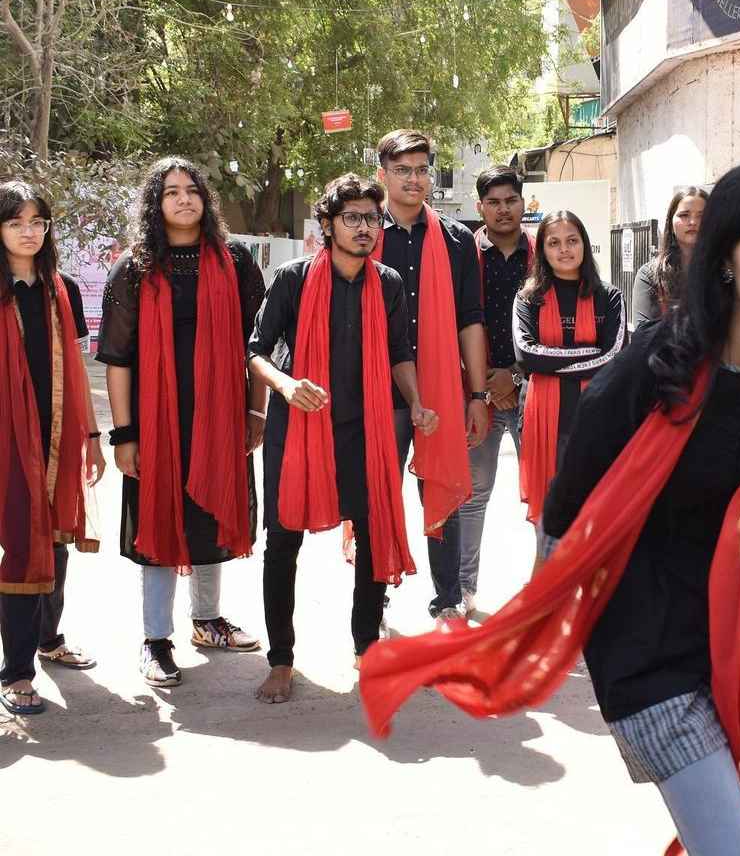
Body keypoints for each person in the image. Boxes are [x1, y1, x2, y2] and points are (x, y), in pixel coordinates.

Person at [358, 162, 740, 856]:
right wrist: (556, 609)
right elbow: (568, 502)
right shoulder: (659, 361)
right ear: (726, 257)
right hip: (648, 646)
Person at [248, 175, 436, 703]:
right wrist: (287, 386)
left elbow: (400, 353)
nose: (364, 228)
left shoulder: (388, 283)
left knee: (374, 537)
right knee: (283, 542)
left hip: (365, 430)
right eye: (352, 218)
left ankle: (366, 648)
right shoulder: (292, 278)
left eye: (371, 218)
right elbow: (256, 350)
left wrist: (415, 403)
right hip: (298, 429)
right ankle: (281, 660)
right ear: (328, 226)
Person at [98, 157, 265, 688]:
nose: (184, 199)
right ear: (156, 203)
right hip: (156, 421)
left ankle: (208, 620)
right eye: (170, 192)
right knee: (159, 520)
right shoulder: (134, 268)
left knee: (212, 513)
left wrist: (255, 409)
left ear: (205, 198)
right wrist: (124, 434)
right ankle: (155, 640)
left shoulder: (236, 261)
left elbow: (257, 346)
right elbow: (118, 359)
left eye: (192, 189)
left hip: (221, 415)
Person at [373, 129, 486, 627]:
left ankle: (447, 600)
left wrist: (476, 394)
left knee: (443, 487)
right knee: (378, 493)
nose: (414, 179)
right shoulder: (363, 233)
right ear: (383, 175)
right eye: (403, 170)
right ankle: (372, 599)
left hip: (439, 386)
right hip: (378, 388)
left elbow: (470, 320)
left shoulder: (457, 240)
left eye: (422, 169)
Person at [0, 182, 105, 715]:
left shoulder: (61, 288)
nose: (29, 232)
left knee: (56, 538)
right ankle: (17, 672)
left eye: (37, 222)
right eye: (16, 222)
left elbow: (77, 371)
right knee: (23, 546)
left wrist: (92, 437)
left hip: (57, 435)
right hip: (6, 441)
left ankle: (49, 638)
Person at [513, 209, 625, 525]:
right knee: (550, 523)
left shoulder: (609, 297)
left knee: (595, 519)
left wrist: (548, 362)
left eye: (572, 240)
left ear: (584, 244)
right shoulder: (528, 298)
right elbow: (527, 357)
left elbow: (614, 357)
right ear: (542, 250)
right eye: (554, 243)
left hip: (596, 422)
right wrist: (591, 355)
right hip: (544, 422)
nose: (564, 249)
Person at [456, 166, 533, 614]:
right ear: (480, 206)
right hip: (476, 394)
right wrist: (483, 384)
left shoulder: (542, 254)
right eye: (494, 202)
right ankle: (463, 590)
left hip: (533, 393)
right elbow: (453, 321)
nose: (503, 210)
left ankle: (546, 590)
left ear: (523, 202)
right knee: (473, 495)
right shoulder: (465, 255)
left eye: (511, 201)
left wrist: (515, 377)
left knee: (542, 494)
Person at [630, 186, 707, 326]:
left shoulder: (725, 275)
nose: (693, 222)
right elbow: (643, 333)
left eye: (701, 216)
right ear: (670, 222)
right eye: (684, 215)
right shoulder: (649, 275)